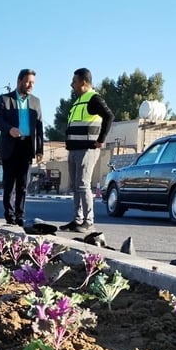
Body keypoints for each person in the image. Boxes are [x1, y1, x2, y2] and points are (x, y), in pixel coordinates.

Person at [61, 67, 114, 231]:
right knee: (76, 186)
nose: (72, 85)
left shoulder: (94, 98)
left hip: (87, 150)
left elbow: (109, 116)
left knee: (83, 185)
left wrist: (101, 140)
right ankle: (77, 220)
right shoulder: (78, 101)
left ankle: (88, 220)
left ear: (83, 83)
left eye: (74, 82)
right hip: (74, 150)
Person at [0, 69, 43, 226]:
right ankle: (10, 215)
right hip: (10, 145)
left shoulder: (35, 101)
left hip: (27, 146)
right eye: (28, 82)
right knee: (9, 183)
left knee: (23, 184)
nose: (30, 85)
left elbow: (39, 127)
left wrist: (40, 149)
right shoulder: (5, 99)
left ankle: (20, 216)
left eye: (33, 83)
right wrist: (9, 129)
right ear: (19, 81)